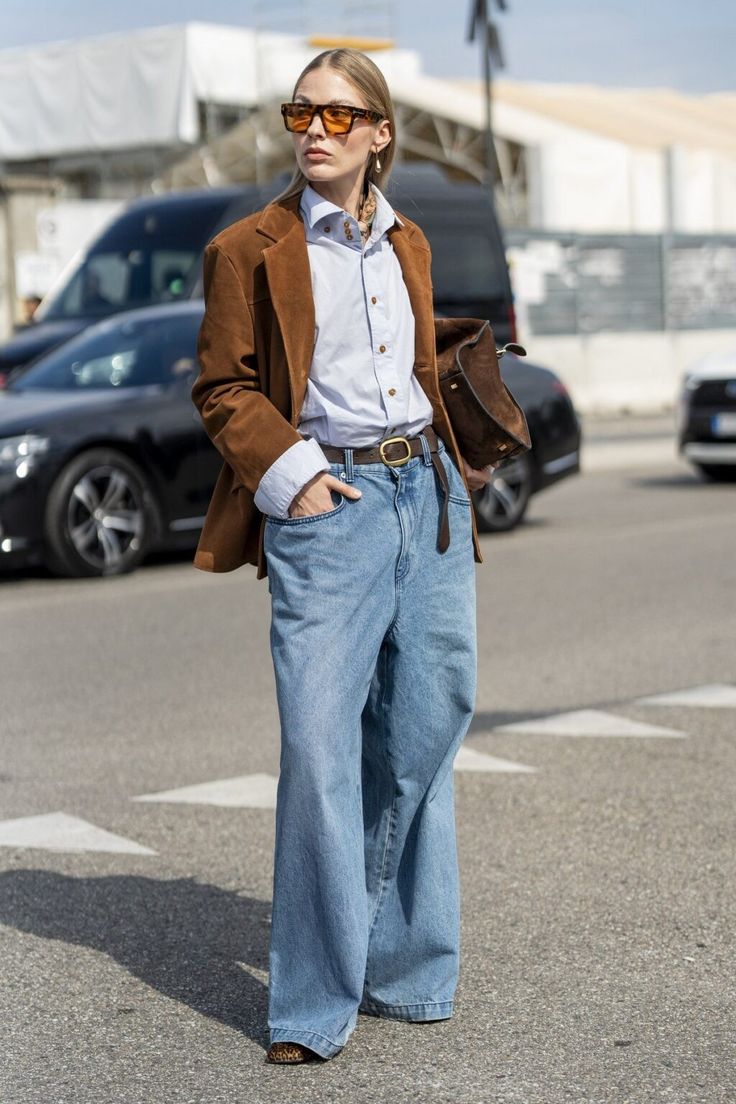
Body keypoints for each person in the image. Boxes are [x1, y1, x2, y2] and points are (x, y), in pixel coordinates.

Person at [191, 47, 496, 1065]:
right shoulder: (247, 248)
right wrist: (297, 478)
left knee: (423, 734)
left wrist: (456, 456)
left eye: (336, 115)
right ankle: (312, 1003)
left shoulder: (407, 238)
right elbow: (223, 388)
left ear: (379, 133)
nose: (314, 132)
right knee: (321, 754)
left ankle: (407, 970)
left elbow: (413, 365)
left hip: (428, 495)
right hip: (331, 507)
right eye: (301, 114)